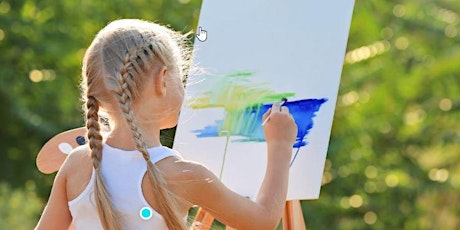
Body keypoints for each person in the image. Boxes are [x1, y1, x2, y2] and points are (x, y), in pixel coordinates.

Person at [35, 19, 297, 230]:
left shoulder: (77, 162)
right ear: (163, 80)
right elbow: (262, 221)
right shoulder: (183, 175)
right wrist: (281, 146)